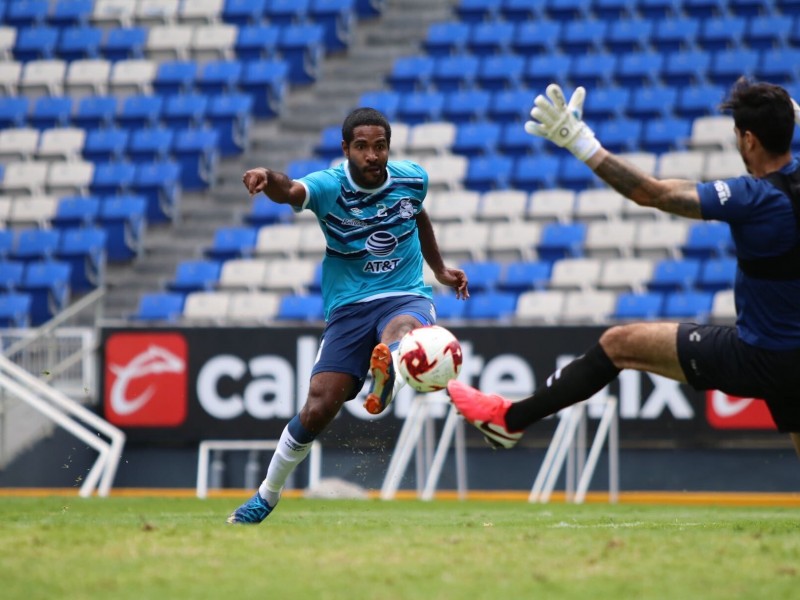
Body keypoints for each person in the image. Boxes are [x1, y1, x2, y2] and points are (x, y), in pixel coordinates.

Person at [448, 77, 800, 455]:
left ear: (748, 139)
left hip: (762, 354)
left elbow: (653, 193)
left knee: (619, 344)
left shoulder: (754, 198)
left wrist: (580, 142)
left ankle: (509, 420)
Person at [227, 107, 469, 524]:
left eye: (380, 147)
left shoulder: (412, 179)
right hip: (348, 307)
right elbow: (290, 191)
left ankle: (390, 364)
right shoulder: (328, 186)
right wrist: (268, 177)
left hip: (404, 292)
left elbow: (417, 214)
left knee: (405, 330)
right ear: (346, 149)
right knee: (317, 408)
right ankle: (266, 496)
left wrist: (440, 270)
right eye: (362, 147)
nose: (372, 156)